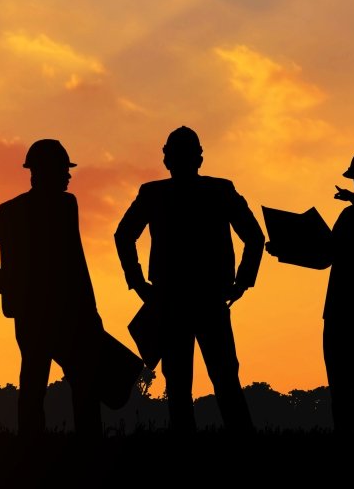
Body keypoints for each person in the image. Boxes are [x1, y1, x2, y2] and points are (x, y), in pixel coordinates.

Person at [114, 126, 265, 433]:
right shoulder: (220, 191)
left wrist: (139, 283)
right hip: (204, 298)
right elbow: (254, 236)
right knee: (222, 379)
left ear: (167, 160)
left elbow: (124, 235)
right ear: (200, 158)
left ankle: (188, 451)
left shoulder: (155, 194)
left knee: (182, 384)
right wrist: (241, 282)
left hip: (174, 300)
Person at [267, 145, 354, 434]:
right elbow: (324, 257)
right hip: (341, 308)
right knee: (342, 384)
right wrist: (287, 249)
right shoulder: (350, 215)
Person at [0, 139, 104, 437]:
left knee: (40, 381)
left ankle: (36, 446)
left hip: (45, 311)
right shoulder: (55, 207)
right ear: (45, 172)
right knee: (64, 381)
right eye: (63, 170)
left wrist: (5, 287)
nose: (69, 177)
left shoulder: (19, 210)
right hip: (61, 312)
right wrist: (5, 286)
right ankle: (81, 444)